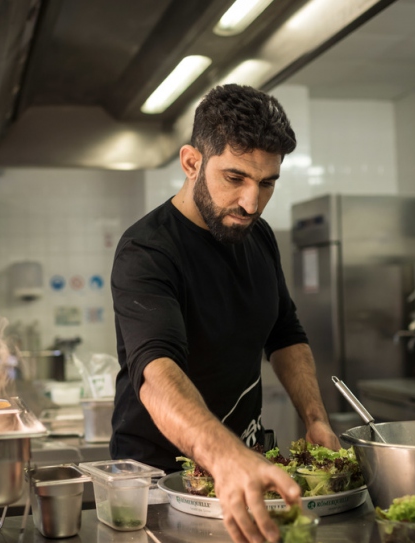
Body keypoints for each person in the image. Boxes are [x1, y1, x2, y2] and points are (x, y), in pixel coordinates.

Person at [110, 84, 339, 543]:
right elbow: (156, 373)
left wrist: (315, 418)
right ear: (192, 162)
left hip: (239, 468)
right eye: (235, 178)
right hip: (158, 486)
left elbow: (285, 332)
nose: (252, 203)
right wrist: (224, 456)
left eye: (267, 182)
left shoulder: (259, 236)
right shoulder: (147, 250)